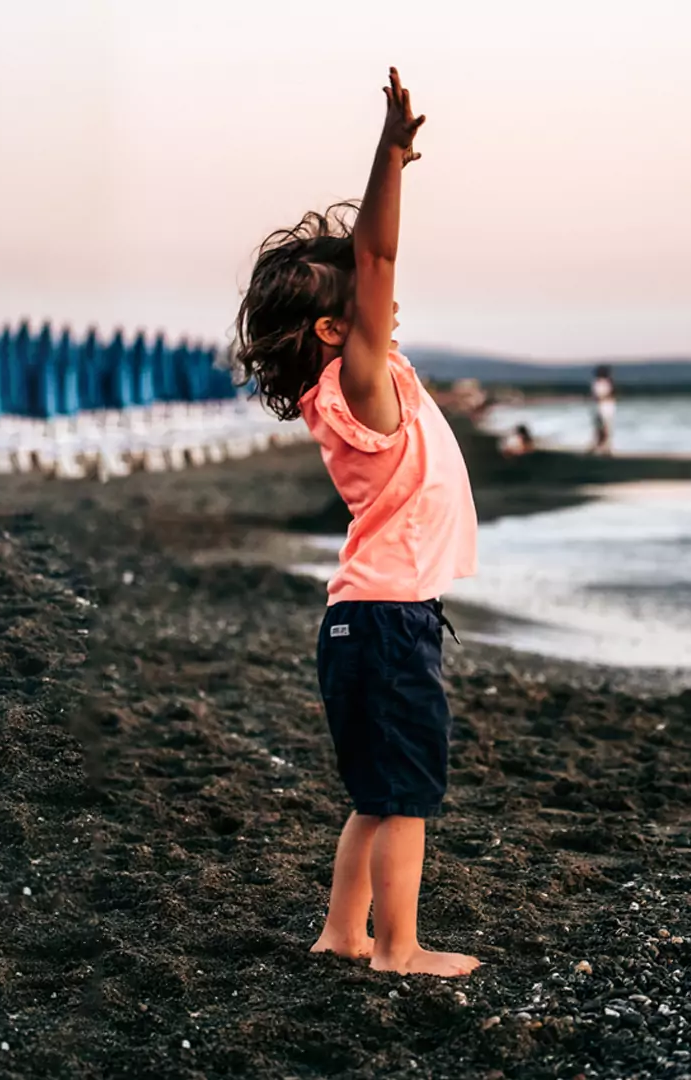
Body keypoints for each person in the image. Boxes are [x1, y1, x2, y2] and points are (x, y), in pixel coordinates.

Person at [234, 68, 479, 978]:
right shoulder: (361, 383)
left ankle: (343, 933)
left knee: (377, 793)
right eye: (362, 304)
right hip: (386, 622)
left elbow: (367, 272)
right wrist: (390, 157)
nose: (383, 301)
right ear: (335, 331)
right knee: (405, 795)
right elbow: (376, 259)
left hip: (363, 620)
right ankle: (399, 949)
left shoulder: (342, 388)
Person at [591, 365, 615, 455]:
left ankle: (604, 447)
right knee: (600, 427)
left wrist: (600, 397)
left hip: (605, 407)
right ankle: (601, 446)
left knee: (604, 427)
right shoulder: (602, 382)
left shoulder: (605, 383)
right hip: (602, 406)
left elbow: (603, 395)